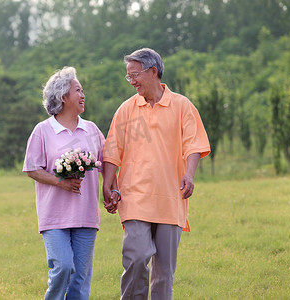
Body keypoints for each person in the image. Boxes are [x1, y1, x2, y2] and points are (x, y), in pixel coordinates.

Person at [102, 48, 211, 300]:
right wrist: (108, 186)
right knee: (136, 258)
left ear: (153, 72)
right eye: (128, 77)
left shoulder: (181, 106)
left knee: (164, 273)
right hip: (135, 198)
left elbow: (194, 144)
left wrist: (190, 174)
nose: (132, 81)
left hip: (170, 198)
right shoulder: (127, 110)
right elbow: (111, 151)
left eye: (136, 75)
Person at [23, 66, 108, 300]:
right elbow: (31, 168)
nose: (83, 95)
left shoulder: (91, 129)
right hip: (54, 216)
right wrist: (60, 182)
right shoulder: (43, 131)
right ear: (63, 97)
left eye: (82, 90)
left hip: (86, 214)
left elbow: (107, 161)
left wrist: (110, 187)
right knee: (62, 267)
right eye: (78, 90)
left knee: (80, 279)